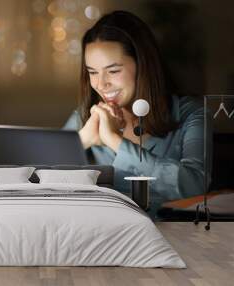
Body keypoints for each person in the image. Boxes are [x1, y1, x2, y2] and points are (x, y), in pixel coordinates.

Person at [64, 10, 210, 215]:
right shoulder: (85, 117)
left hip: (167, 236)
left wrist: (115, 141)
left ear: (143, 65)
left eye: (113, 71)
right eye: (92, 72)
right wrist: (80, 141)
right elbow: (33, 180)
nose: (101, 84)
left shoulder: (189, 113)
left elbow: (195, 186)